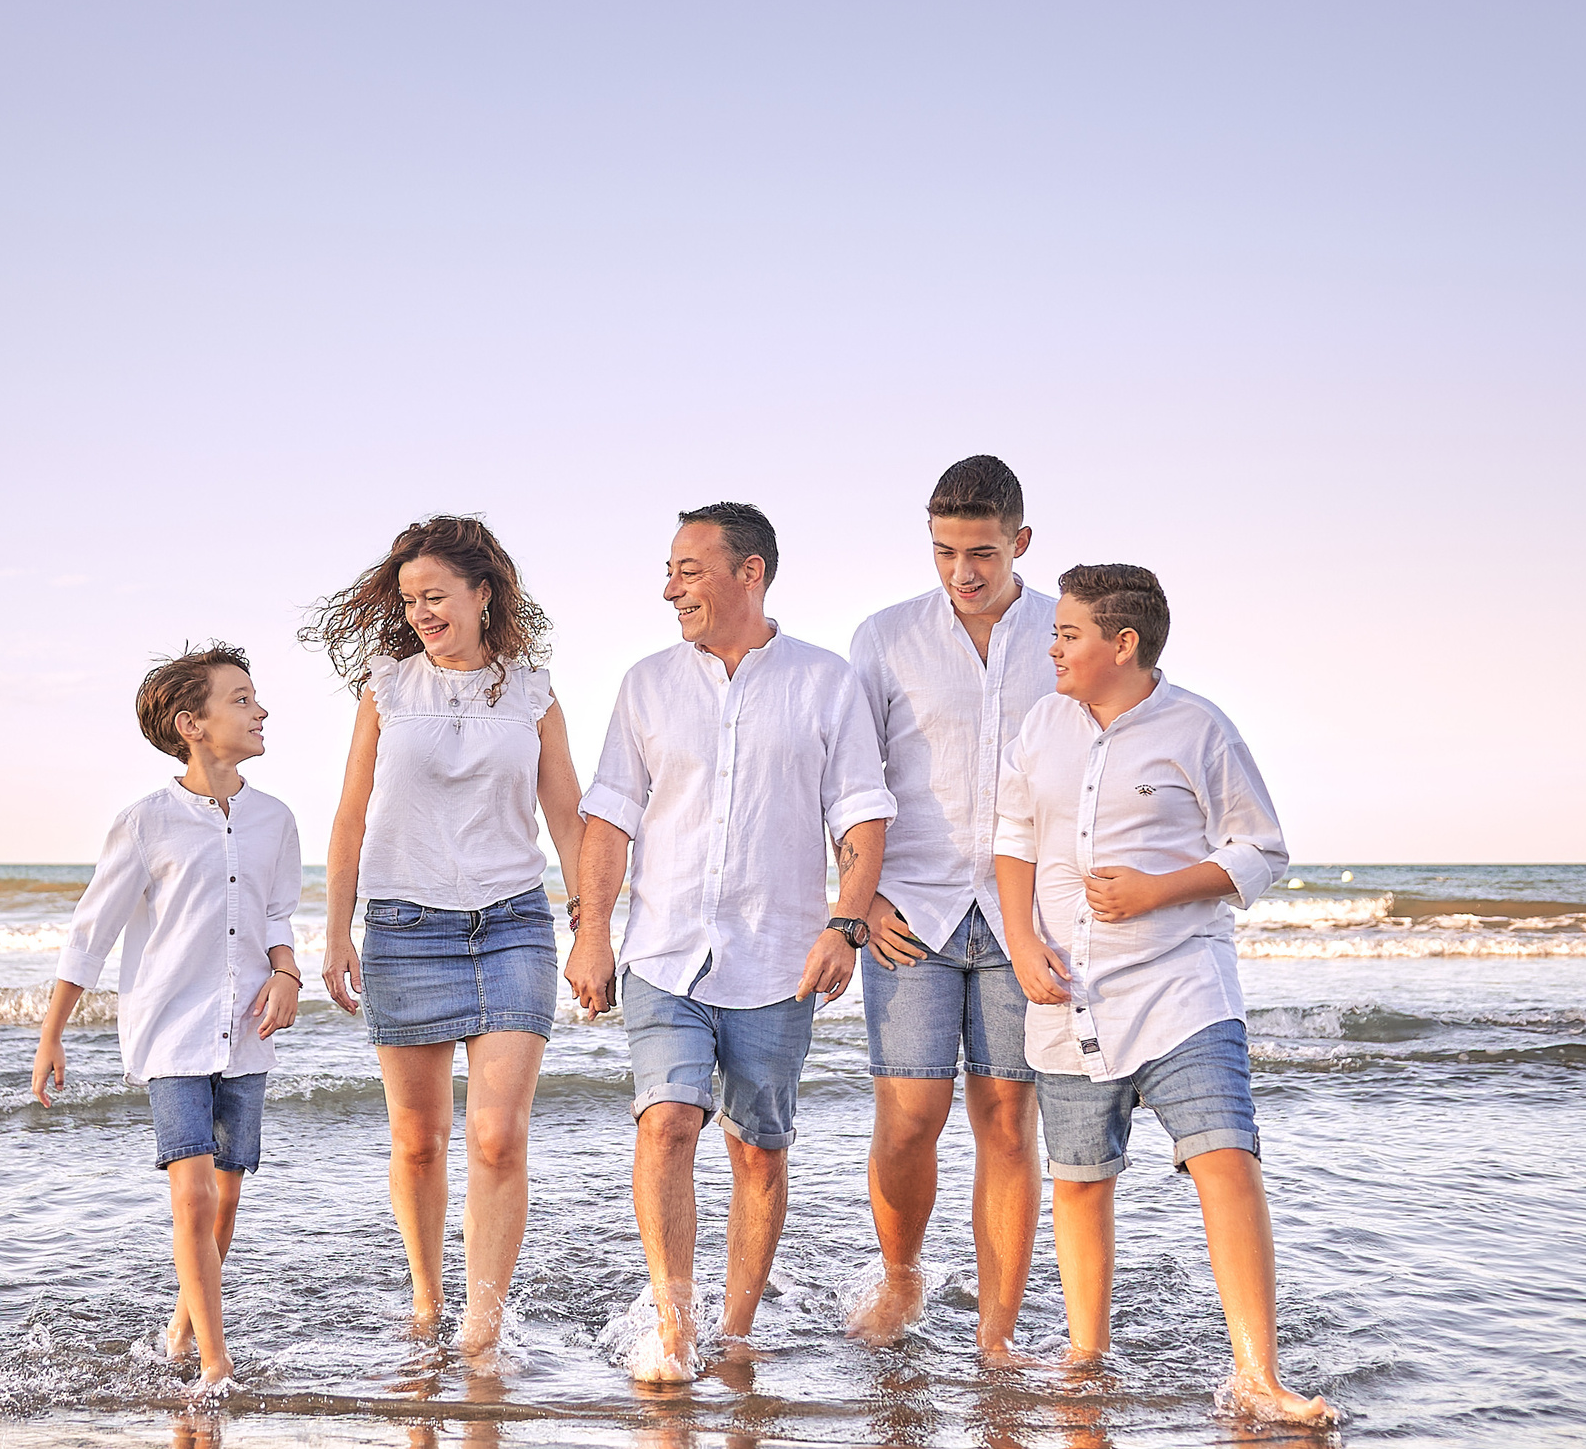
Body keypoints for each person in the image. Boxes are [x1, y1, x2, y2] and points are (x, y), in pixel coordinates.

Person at [993, 564, 1337, 1423]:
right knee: (1079, 1178)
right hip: (1068, 994)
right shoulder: (1042, 724)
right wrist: (1022, 943)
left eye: (1068, 634)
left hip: (1185, 987)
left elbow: (1262, 849)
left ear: (1123, 643)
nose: (1053, 646)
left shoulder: (1199, 728)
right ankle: (1085, 1357)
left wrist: (1158, 890)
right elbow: (1012, 842)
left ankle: (1259, 1376)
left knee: (1225, 1160)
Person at [567, 503, 895, 1382]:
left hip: (778, 955)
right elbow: (609, 817)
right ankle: (674, 1327)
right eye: (670, 569)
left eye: (688, 569)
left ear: (750, 573)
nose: (670, 587)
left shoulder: (825, 681)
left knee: (759, 1148)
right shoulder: (646, 684)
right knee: (669, 1120)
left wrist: (844, 926)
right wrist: (592, 932)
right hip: (664, 950)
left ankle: (737, 1328)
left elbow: (860, 812)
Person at [303, 517, 585, 1354]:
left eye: (436, 596)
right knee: (419, 1140)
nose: (422, 612)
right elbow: (350, 818)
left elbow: (566, 817)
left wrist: (594, 923)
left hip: (512, 923)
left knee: (498, 1136)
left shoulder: (533, 693)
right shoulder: (386, 690)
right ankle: (428, 1300)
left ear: (483, 593)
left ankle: (482, 1325)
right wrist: (336, 930)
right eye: (411, 600)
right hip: (403, 924)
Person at [30, 643, 303, 1393]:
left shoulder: (275, 820)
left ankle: (183, 1331)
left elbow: (278, 917)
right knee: (193, 1190)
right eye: (241, 699)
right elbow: (91, 929)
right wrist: (52, 1034)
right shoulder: (146, 823)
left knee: (228, 1195)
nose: (261, 710)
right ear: (192, 723)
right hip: (172, 1032)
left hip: (247, 1032)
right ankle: (217, 1363)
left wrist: (287, 973)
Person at [845, 455, 1055, 1352]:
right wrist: (858, 899)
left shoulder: (1063, 633)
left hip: (1026, 919)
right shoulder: (886, 637)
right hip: (912, 913)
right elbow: (847, 779)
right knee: (909, 1118)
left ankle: (998, 1333)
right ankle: (901, 1281)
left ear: (1021, 542)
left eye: (981, 552)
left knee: (1008, 1121)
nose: (963, 573)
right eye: (943, 552)